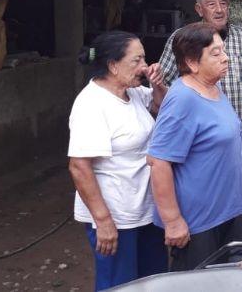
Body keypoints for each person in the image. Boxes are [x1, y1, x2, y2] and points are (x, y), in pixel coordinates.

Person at [157, 0, 242, 242]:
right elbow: (165, 80)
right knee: (206, 193)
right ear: (199, 9)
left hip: (240, 131)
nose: (219, 10)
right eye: (212, 4)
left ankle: (238, 253)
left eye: (223, 3)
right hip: (201, 139)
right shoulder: (183, 40)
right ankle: (208, 251)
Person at [68, 31, 168, 291]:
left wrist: (158, 84)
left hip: (145, 209)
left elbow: (162, 107)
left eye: (144, 59)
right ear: (113, 66)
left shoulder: (131, 93)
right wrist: (103, 221)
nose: (144, 67)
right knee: (120, 285)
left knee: (153, 280)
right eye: (136, 61)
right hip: (116, 217)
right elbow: (79, 166)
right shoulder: (92, 104)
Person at [147, 22, 242, 270]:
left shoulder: (214, 86)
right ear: (192, 62)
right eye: (215, 53)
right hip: (199, 222)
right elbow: (159, 162)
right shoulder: (182, 99)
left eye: (223, 51)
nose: (225, 58)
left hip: (227, 211)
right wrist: (172, 221)